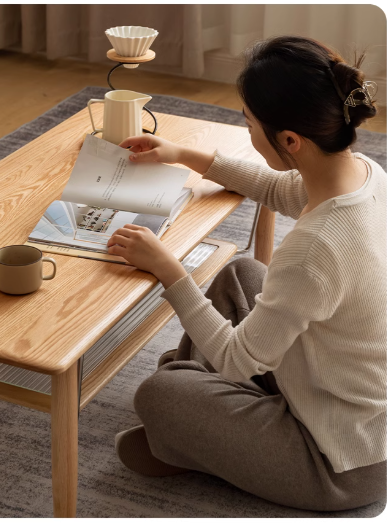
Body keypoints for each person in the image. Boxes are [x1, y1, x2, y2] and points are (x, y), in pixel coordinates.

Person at [106, 35, 386, 511]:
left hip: (338, 461)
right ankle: (198, 420)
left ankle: (191, 422)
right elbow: (278, 188)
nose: (248, 130)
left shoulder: (316, 248)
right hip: (333, 393)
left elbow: (237, 360)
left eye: (249, 121)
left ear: (291, 141)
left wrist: (170, 271)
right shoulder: (365, 173)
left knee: (159, 394)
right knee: (242, 274)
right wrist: (181, 154)